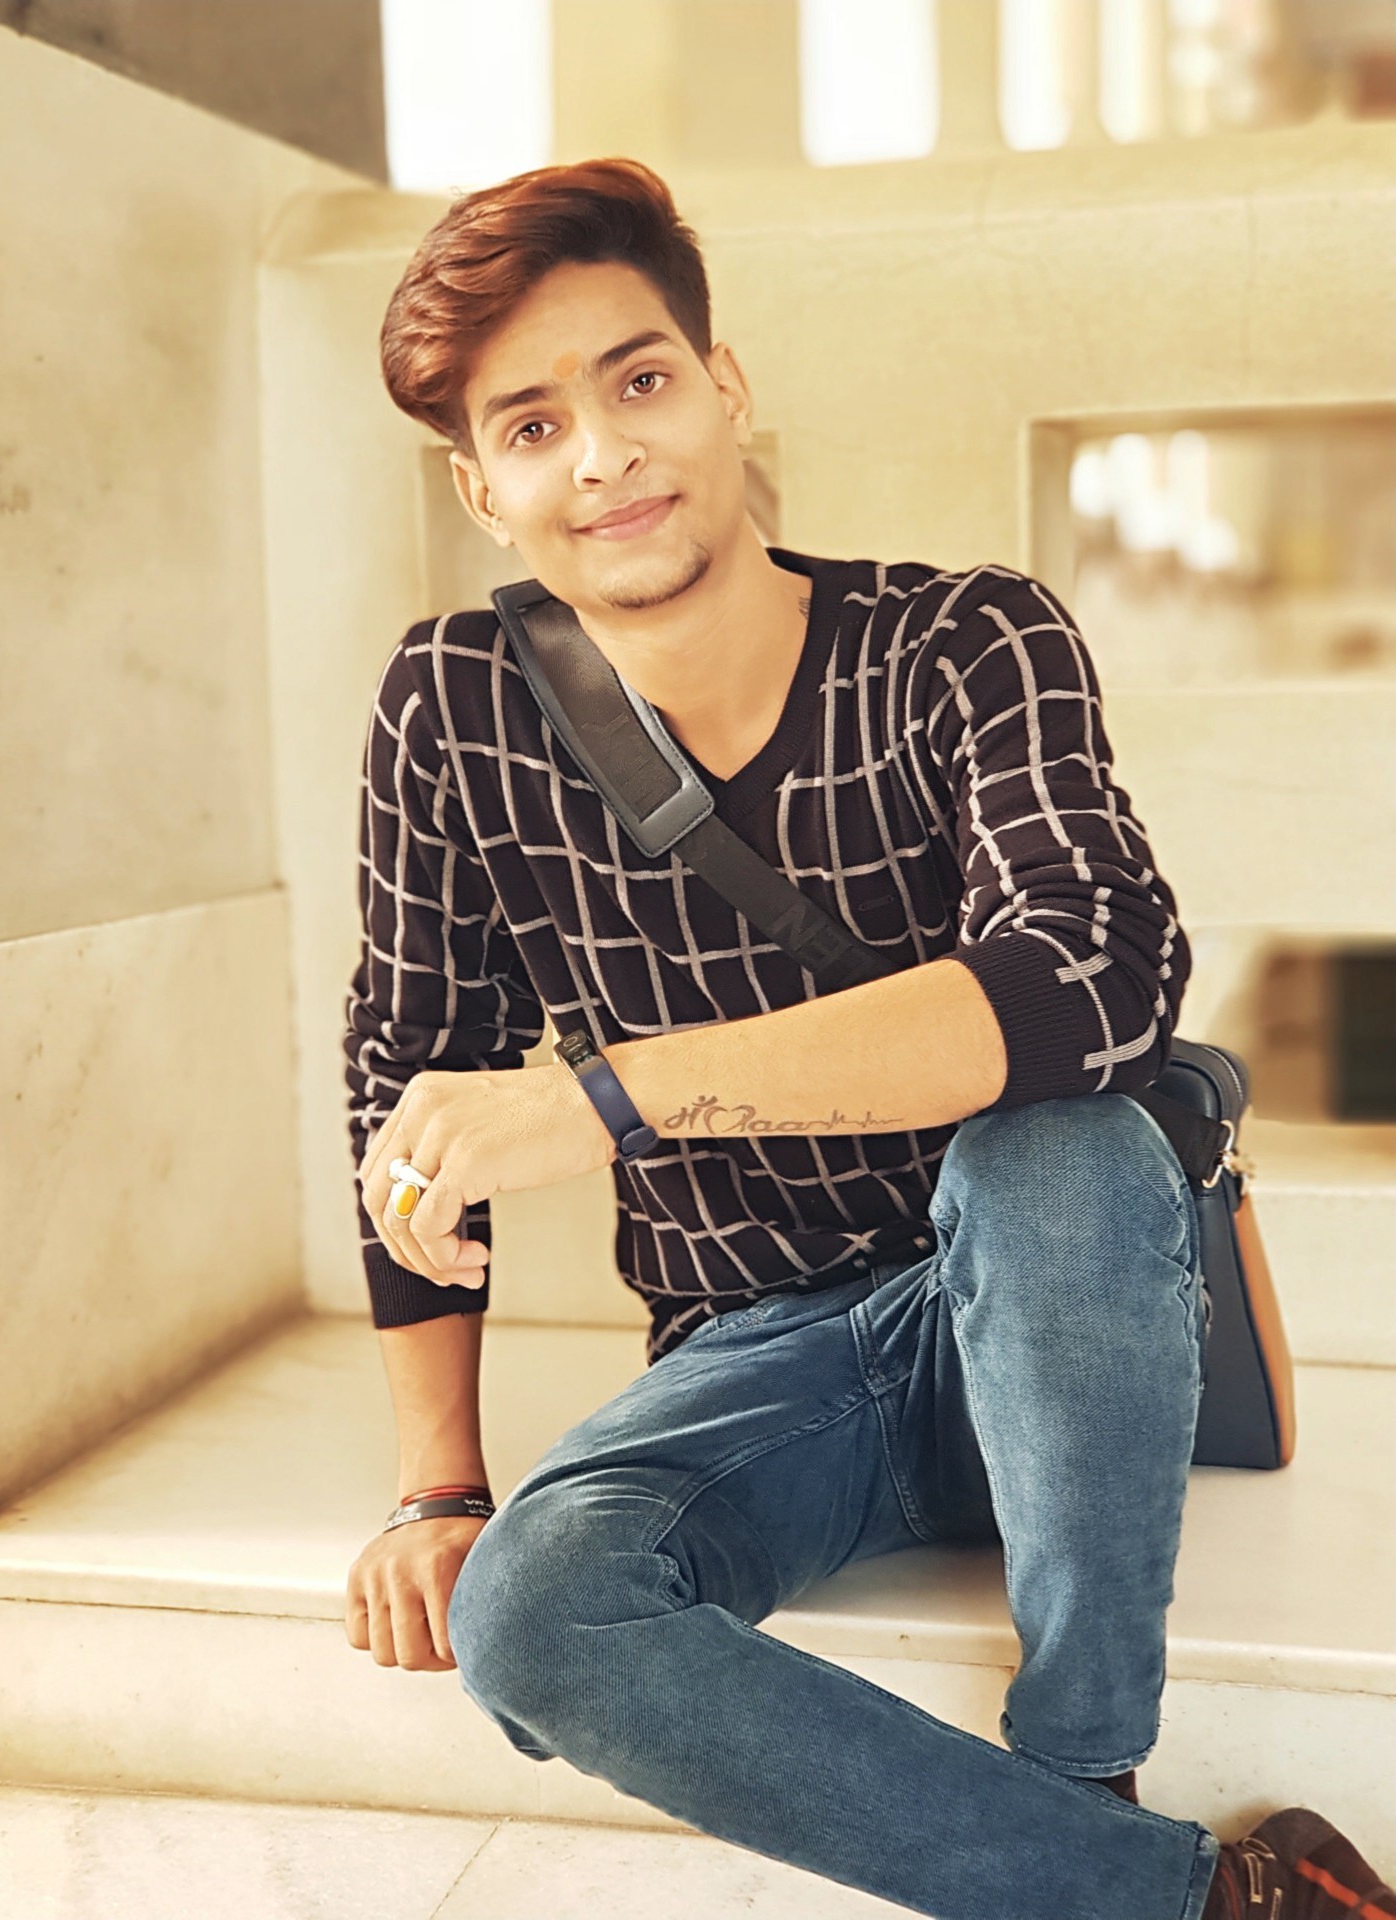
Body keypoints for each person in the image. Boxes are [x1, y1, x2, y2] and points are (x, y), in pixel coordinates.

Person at [340, 157, 1392, 1920]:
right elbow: (408, 1077)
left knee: (1055, 1143)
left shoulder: (965, 639)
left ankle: (1083, 1772)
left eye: (639, 380)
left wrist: (610, 1098)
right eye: (531, 426)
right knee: (534, 1607)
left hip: (1055, 1309)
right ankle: (1182, 1903)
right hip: (763, 1362)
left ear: (724, 386)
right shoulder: (452, 706)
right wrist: (437, 1482)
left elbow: (1093, 975)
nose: (602, 455)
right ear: (482, 487)